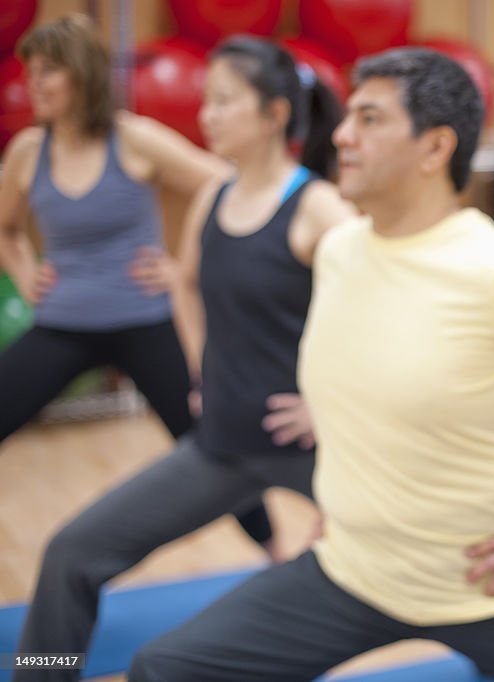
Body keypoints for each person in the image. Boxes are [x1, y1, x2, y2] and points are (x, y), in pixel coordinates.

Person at [126, 47, 494, 682]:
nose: (341, 135)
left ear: (435, 147)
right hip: (351, 574)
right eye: (347, 117)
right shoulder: (338, 251)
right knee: (164, 669)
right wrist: (335, 510)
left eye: (369, 119)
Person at [14, 35, 351, 682]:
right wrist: (204, 371)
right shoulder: (216, 200)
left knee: (481, 580)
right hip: (226, 444)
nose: (206, 116)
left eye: (224, 101)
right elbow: (190, 284)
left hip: (328, 461)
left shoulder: (331, 218)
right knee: (72, 557)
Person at [0, 14, 277, 553]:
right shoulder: (29, 152)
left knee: (212, 439)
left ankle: (275, 551)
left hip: (145, 321)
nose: (32, 83)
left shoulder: (133, 138)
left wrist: (182, 267)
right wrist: (25, 271)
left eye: (47, 72)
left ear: (80, 76)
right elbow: (6, 226)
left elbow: (227, 186)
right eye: (29, 71)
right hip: (63, 322)